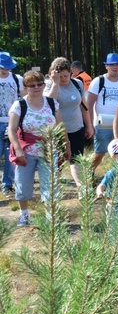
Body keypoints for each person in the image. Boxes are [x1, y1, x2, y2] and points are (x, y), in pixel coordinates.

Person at [8, 70, 71, 225]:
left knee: (50, 186)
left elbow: (61, 126)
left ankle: (51, 217)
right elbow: (11, 130)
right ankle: (24, 214)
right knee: (23, 186)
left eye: (39, 84)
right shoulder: (19, 105)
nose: (36, 87)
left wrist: (66, 145)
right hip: (26, 151)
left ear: (44, 84)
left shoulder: (51, 103)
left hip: (48, 150)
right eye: (32, 85)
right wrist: (18, 149)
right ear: (25, 87)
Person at [44, 58, 94, 188]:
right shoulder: (48, 85)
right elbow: (49, 103)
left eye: (66, 75)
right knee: (57, 162)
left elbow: (84, 106)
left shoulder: (77, 84)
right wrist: (55, 83)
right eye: (60, 76)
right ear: (53, 74)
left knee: (76, 159)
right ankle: (54, 189)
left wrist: (89, 126)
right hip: (57, 130)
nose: (64, 79)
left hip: (77, 128)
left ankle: (81, 187)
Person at [85, 52, 118, 170]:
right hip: (102, 124)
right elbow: (89, 104)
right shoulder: (98, 81)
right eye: (111, 64)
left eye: (117, 64)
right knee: (100, 152)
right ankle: (87, 175)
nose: (114, 67)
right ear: (106, 66)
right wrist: (90, 125)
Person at [0, 52, 24, 196]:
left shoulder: (17, 79)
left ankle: (7, 185)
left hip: (12, 123)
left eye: (9, 68)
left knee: (11, 155)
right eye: (3, 68)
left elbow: (23, 98)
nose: (6, 71)